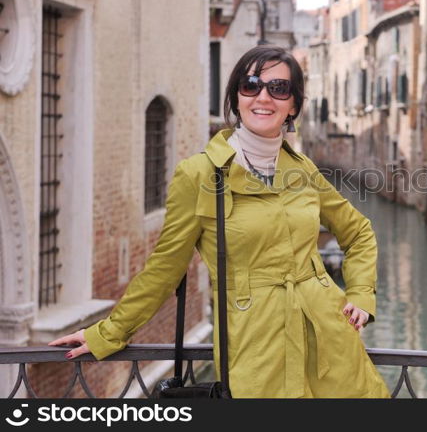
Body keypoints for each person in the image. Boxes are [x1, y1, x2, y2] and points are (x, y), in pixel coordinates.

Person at [49, 45, 391, 398]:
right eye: (251, 85)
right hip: (257, 348)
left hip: (330, 339)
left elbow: (359, 232)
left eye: (279, 89)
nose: (263, 97)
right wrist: (109, 332)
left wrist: (361, 294)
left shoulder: (302, 170)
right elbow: (165, 269)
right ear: (236, 97)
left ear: (293, 106)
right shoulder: (198, 174)